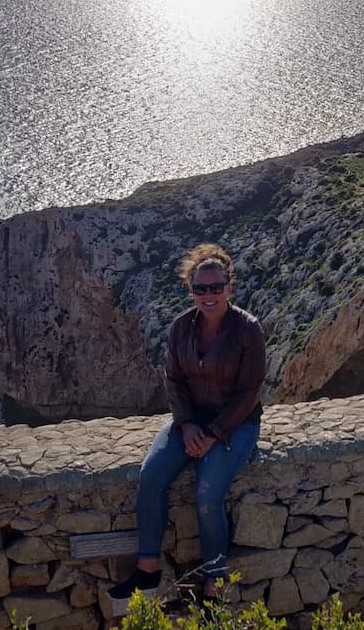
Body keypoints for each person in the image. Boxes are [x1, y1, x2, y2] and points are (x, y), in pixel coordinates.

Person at [108, 243, 267, 602]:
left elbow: (249, 393)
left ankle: (214, 583)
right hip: (190, 420)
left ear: (229, 287)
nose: (208, 295)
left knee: (207, 495)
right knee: (150, 478)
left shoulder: (247, 330)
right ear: (191, 290)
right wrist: (187, 424)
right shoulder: (181, 327)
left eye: (215, 287)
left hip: (235, 424)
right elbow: (174, 380)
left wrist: (213, 432)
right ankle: (147, 570)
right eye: (200, 288)